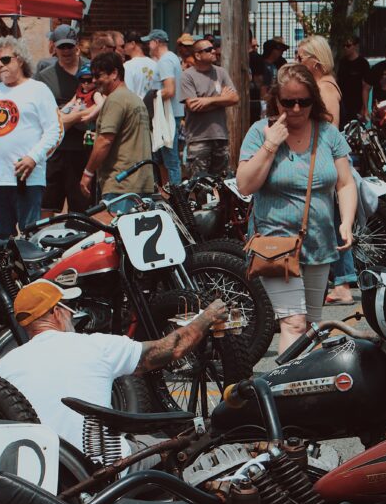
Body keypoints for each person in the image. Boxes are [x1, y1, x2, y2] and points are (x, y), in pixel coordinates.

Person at [0, 278, 228, 461]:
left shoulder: (0, 367)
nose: (72, 315)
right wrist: (207, 316)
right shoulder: (96, 346)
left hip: (32, 476)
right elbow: (172, 349)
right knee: (187, 445)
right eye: (69, 309)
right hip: (103, 469)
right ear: (57, 313)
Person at [237, 63, 357, 354]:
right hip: (275, 245)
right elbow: (244, 185)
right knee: (294, 323)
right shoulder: (260, 132)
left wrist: (347, 222)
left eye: (303, 101)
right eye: (288, 101)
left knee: (314, 325)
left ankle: (309, 393)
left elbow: (345, 183)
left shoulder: (327, 133)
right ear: (276, 100)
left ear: (313, 100)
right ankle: (287, 393)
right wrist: (270, 146)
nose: (295, 108)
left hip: (318, 242)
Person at [0, 36, 61, 237]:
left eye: (6, 60)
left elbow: (55, 130)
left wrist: (33, 158)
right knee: (0, 241)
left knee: (30, 238)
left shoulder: (38, 89)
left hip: (27, 177)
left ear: (19, 60)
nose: (0, 65)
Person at [297, 34, 355, 305]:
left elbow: (329, 128)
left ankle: (344, 282)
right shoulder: (321, 85)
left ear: (316, 62)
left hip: (329, 161)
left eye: (300, 58)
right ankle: (340, 279)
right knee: (330, 222)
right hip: (325, 160)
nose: (296, 63)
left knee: (332, 223)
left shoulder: (325, 87)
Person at [79, 51, 153, 203]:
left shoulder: (115, 100)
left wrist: (88, 173)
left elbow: (105, 141)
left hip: (121, 185)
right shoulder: (135, 99)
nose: (94, 80)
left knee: (116, 227)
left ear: (114, 73)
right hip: (142, 183)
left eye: (98, 75)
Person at [36, 25, 92, 213]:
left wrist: (67, 116)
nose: (66, 51)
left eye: (70, 46)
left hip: (83, 148)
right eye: (62, 47)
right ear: (53, 47)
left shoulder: (90, 69)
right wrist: (76, 115)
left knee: (82, 208)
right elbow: (40, 111)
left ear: (77, 45)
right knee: (48, 205)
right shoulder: (45, 76)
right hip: (55, 150)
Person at [180, 37, 239, 178]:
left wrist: (207, 101)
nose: (213, 51)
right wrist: (221, 100)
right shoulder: (187, 76)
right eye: (208, 50)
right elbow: (193, 106)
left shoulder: (221, 72)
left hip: (220, 136)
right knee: (199, 183)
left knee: (221, 182)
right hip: (198, 138)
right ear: (197, 55)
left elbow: (234, 98)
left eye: (213, 48)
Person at [144, 28, 184, 184]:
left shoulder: (165, 61)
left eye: (149, 42)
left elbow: (170, 90)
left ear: (156, 42)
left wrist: (151, 97)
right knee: (163, 157)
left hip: (167, 115)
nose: (148, 46)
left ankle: (175, 196)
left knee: (170, 159)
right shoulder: (172, 58)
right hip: (170, 114)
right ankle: (168, 192)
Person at [337, 36, 371, 126]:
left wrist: (364, 107)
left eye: (348, 46)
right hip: (343, 102)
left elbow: (366, 87)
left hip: (357, 103)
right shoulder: (342, 62)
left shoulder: (363, 63)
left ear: (356, 46)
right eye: (344, 46)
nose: (345, 48)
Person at [123, 31, 159, 99]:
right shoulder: (155, 64)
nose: (123, 48)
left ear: (133, 44)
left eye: (124, 45)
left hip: (137, 107)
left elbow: (129, 93)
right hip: (154, 106)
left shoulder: (127, 66)